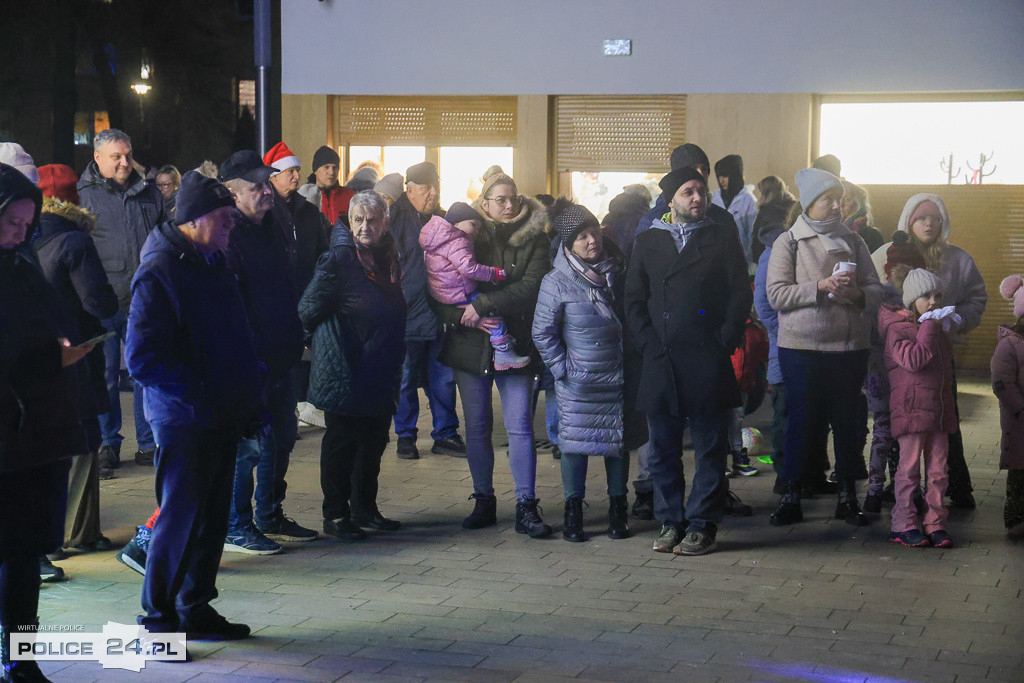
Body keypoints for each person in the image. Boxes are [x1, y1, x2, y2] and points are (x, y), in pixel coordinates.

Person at [126, 170, 263, 642]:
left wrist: (248, 393)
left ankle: (194, 607)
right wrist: (202, 391)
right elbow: (142, 358)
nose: (231, 226)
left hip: (220, 410)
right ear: (196, 219)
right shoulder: (161, 268)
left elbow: (234, 334)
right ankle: (157, 618)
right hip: (184, 416)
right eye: (225, 219)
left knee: (212, 516)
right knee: (181, 517)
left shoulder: (212, 259)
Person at [624, 166, 752, 556]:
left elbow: (738, 293)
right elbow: (633, 299)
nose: (697, 198)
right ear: (670, 200)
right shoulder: (648, 241)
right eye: (687, 192)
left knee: (710, 447)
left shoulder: (720, 237)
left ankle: (702, 524)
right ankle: (670, 520)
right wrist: (648, 342)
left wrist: (725, 338)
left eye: (701, 191)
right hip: (661, 358)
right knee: (662, 449)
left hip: (707, 356)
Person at [0, 162, 94, 682]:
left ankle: (21, 654)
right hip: (9, 429)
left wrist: (61, 342)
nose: (20, 233)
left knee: (25, 549)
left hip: (35, 433)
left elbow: (49, 316)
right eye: (11, 223)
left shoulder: (22, 264)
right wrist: (42, 355)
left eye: (25, 224)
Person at [429, 168, 553, 537]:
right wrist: (460, 315)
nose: (509, 204)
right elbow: (438, 287)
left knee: (520, 429)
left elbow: (533, 286)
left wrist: (482, 304)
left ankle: (526, 505)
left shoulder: (535, 239)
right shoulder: (464, 232)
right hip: (470, 345)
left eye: (513, 197)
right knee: (477, 428)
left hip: (515, 343)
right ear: (484, 204)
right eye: (501, 199)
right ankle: (484, 499)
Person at [766, 167, 884, 528]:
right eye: (829, 199)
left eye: (839, 199)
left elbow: (877, 291)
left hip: (848, 348)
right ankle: (792, 494)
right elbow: (776, 294)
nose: (837, 205)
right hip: (801, 349)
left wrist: (856, 294)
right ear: (810, 203)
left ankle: (848, 495)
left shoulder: (856, 241)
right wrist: (820, 285)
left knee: (848, 423)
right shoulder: (789, 242)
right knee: (802, 423)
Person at [533, 201, 647, 542]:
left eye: (593, 232)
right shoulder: (557, 282)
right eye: (581, 236)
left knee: (617, 443)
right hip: (579, 382)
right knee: (574, 446)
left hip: (617, 376)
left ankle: (617, 509)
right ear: (568, 245)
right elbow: (542, 331)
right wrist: (563, 369)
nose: (591, 241)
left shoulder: (619, 271)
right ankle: (573, 511)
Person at [221, 151, 315, 551]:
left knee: (283, 436)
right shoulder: (228, 233)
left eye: (266, 183)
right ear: (232, 191)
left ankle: (269, 513)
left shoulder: (274, 223)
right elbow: (232, 303)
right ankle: (236, 524)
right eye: (256, 186)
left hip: (281, 352)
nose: (265, 191)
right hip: (249, 358)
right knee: (248, 447)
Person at [299, 191, 407, 539]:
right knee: (342, 442)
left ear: (384, 223)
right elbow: (307, 309)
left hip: (379, 367)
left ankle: (364, 509)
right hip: (345, 368)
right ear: (349, 220)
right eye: (357, 219)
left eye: (372, 220)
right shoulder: (339, 259)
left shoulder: (387, 255)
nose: (364, 226)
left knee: (373, 441)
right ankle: (335, 515)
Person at [870, 194, 987, 509]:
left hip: (940, 353)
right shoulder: (884, 254)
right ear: (908, 221)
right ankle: (902, 488)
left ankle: (956, 485)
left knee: (945, 418)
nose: (928, 224)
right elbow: (871, 295)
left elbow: (976, 297)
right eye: (921, 218)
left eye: (934, 218)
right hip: (898, 356)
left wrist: (956, 321)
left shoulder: (958, 259)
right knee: (901, 420)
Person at [34, 164, 119, 557]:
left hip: (41, 354)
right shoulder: (76, 242)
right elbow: (97, 301)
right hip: (79, 351)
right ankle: (75, 532)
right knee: (85, 440)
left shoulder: (25, 238)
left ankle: (65, 531)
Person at [78, 129, 164, 473]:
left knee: (145, 372)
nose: (125, 162)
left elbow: (163, 234)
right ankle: (108, 443)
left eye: (127, 155)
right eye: (116, 157)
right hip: (102, 300)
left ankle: (147, 443)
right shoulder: (83, 195)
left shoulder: (148, 193)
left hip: (143, 298)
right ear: (98, 158)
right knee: (105, 374)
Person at [390, 162, 464, 460]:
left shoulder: (444, 219)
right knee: (405, 377)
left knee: (443, 378)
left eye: (435, 186)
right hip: (407, 314)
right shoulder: (394, 219)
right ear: (409, 190)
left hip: (439, 314)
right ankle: (405, 436)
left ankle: (445, 433)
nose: (432, 193)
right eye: (424, 188)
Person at [880, 268, 957, 547]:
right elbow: (914, 360)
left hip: (938, 412)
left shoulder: (935, 328)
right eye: (926, 296)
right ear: (912, 299)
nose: (934, 301)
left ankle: (935, 522)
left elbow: (944, 372)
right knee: (909, 469)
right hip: (911, 411)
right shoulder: (897, 329)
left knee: (938, 471)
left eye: (938, 295)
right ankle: (904, 522)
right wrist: (929, 327)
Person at [419, 202, 530, 370]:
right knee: (494, 318)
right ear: (456, 223)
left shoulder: (435, 240)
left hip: (441, 292)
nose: (476, 231)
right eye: (473, 225)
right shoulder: (458, 240)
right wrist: (493, 273)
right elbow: (469, 269)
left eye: (479, 228)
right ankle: (503, 352)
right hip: (458, 291)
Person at [863, 233, 925, 513]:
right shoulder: (916, 304)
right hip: (900, 377)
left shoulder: (877, 301)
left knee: (884, 431)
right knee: (903, 432)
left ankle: (878, 490)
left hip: (880, 375)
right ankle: (903, 489)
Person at [993, 274, 1024, 539]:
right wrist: (1020, 408)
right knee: (1019, 474)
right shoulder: (1009, 345)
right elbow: (1002, 382)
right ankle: (1014, 520)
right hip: (1019, 421)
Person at [711, 154, 758, 272]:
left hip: (743, 261)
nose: (721, 180)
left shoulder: (748, 200)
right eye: (719, 176)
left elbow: (752, 234)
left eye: (725, 176)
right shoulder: (715, 198)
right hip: (718, 259)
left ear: (734, 176)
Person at [298, 145, 354, 227]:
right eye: (326, 167)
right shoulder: (303, 196)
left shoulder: (350, 196)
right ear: (316, 170)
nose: (331, 172)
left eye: (334, 168)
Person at [840, 181, 884, 254]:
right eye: (838, 199)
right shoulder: (824, 234)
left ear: (858, 204)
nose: (841, 204)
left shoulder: (871, 235)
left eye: (847, 199)